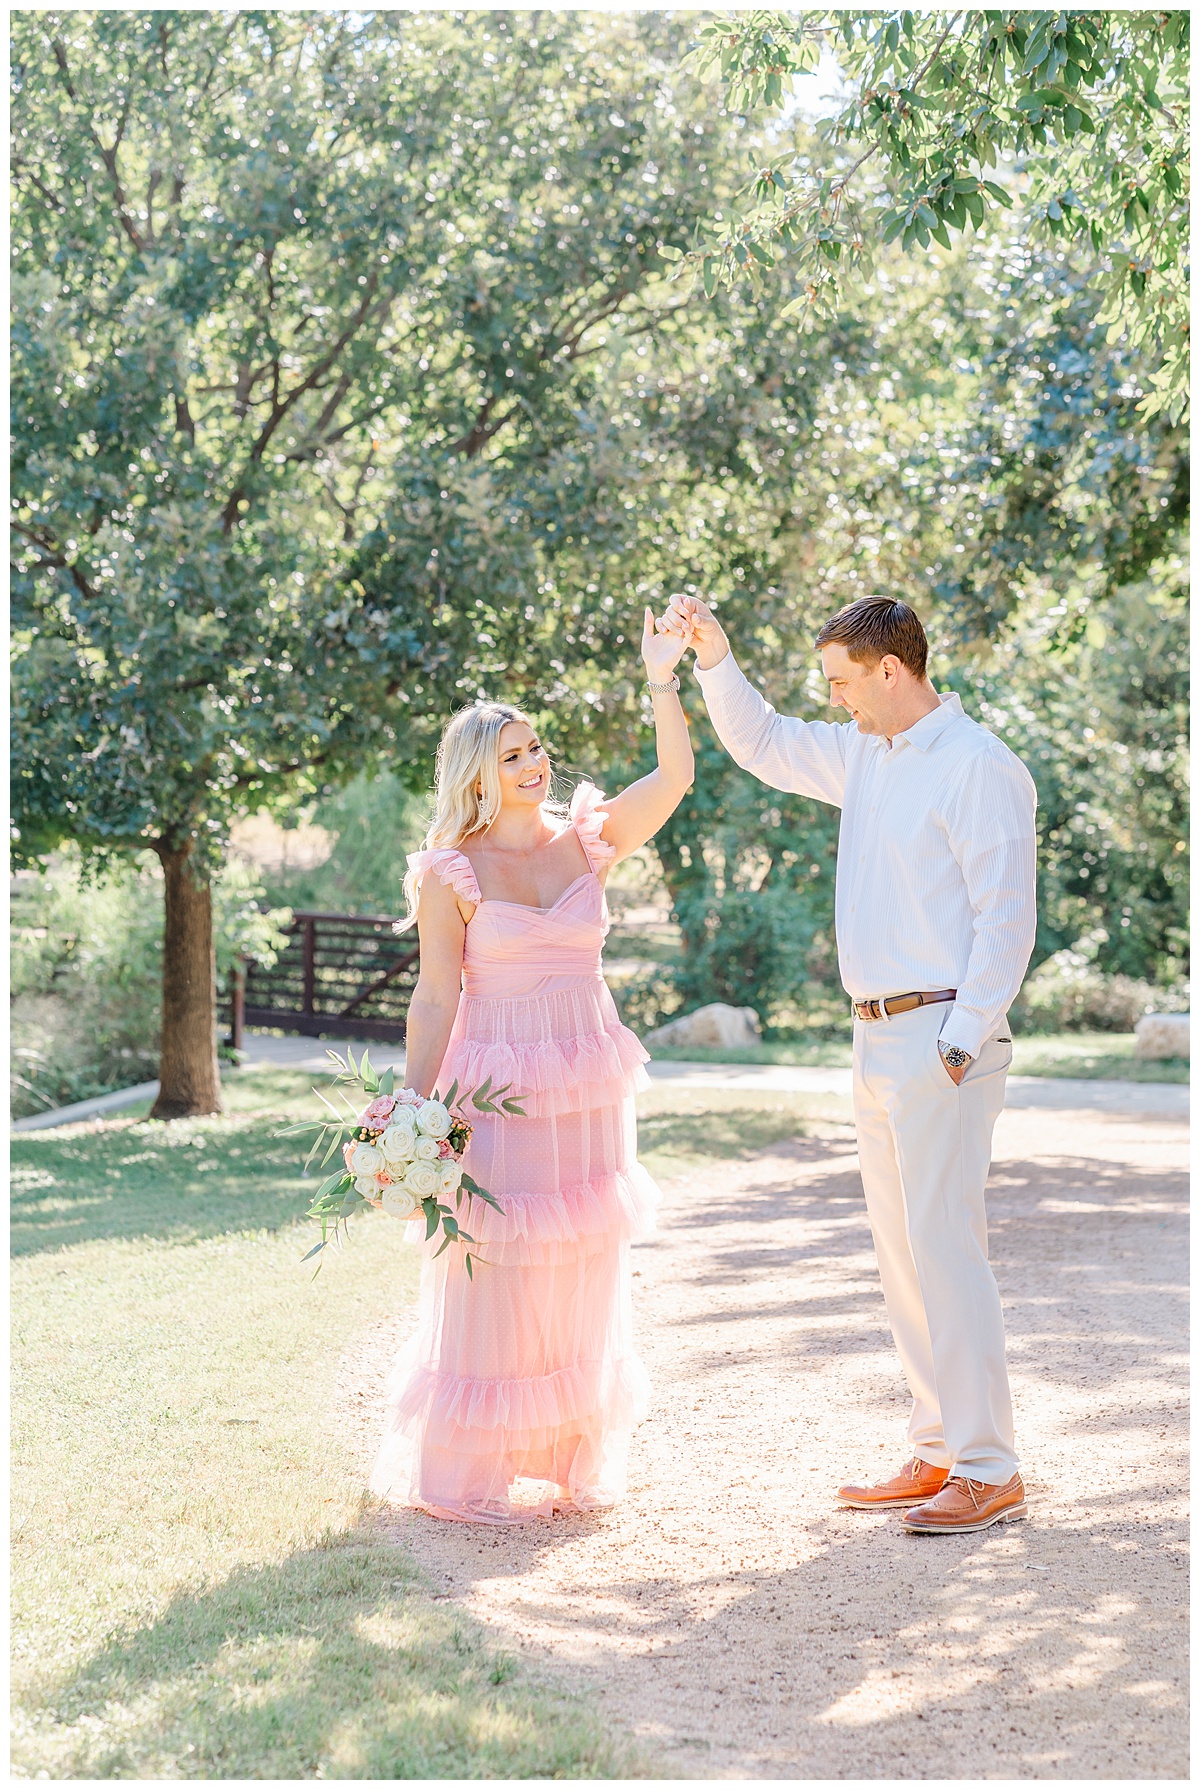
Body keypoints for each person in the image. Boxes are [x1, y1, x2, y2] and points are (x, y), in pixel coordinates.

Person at [661, 591, 1038, 1535]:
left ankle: (990, 1467)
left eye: (841, 681)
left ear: (890, 670)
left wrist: (956, 1046)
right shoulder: (865, 756)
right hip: (873, 1036)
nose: (833, 700)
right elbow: (761, 740)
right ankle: (940, 1448)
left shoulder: (979, 766)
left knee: (946, 1250)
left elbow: (1006, 921)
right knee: (902, 1257)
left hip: (944, 1036)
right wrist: (714, 653)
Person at [369, 608, 695, 1522]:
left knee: (578, 1262)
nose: (533, 764)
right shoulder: (450, 871)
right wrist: (410, 1106)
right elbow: (436, 996)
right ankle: (473, 1468)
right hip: (493, 1088)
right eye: (511, 754)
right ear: (476, 770)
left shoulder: (587, 838)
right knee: (495, 1262)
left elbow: (676, 775)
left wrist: (662, 678)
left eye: (536, 747)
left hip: (585, 1081)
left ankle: (566, 1455)